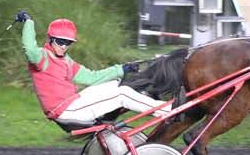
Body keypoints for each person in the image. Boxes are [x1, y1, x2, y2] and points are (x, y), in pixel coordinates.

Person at [15, 11, 171, 128]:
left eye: (68, 43)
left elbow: (92, 77)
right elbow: (29, 49)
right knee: (122, 94)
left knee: (117, 85)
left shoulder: (67, 61)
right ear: (50, 39)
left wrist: (122, 69)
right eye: (60, 41)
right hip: (65, 111)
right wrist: (29, 22)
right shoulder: (41, 58)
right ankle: (166, 111)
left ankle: (152, 100)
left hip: (74, 102)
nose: (64, 46)